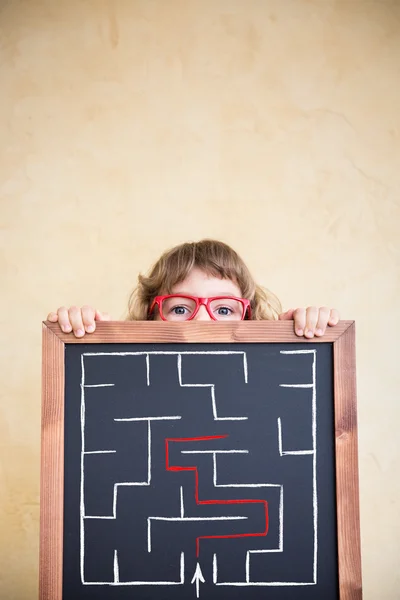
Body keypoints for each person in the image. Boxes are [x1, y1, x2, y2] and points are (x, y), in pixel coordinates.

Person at [47, 239, 339, 338]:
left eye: (224, 309)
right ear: (151, 317)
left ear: (249, 318)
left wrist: (302, 342)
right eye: (180, 308)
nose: (202, 321)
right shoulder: (128, 380)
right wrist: (92, 342)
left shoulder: (267, 378)